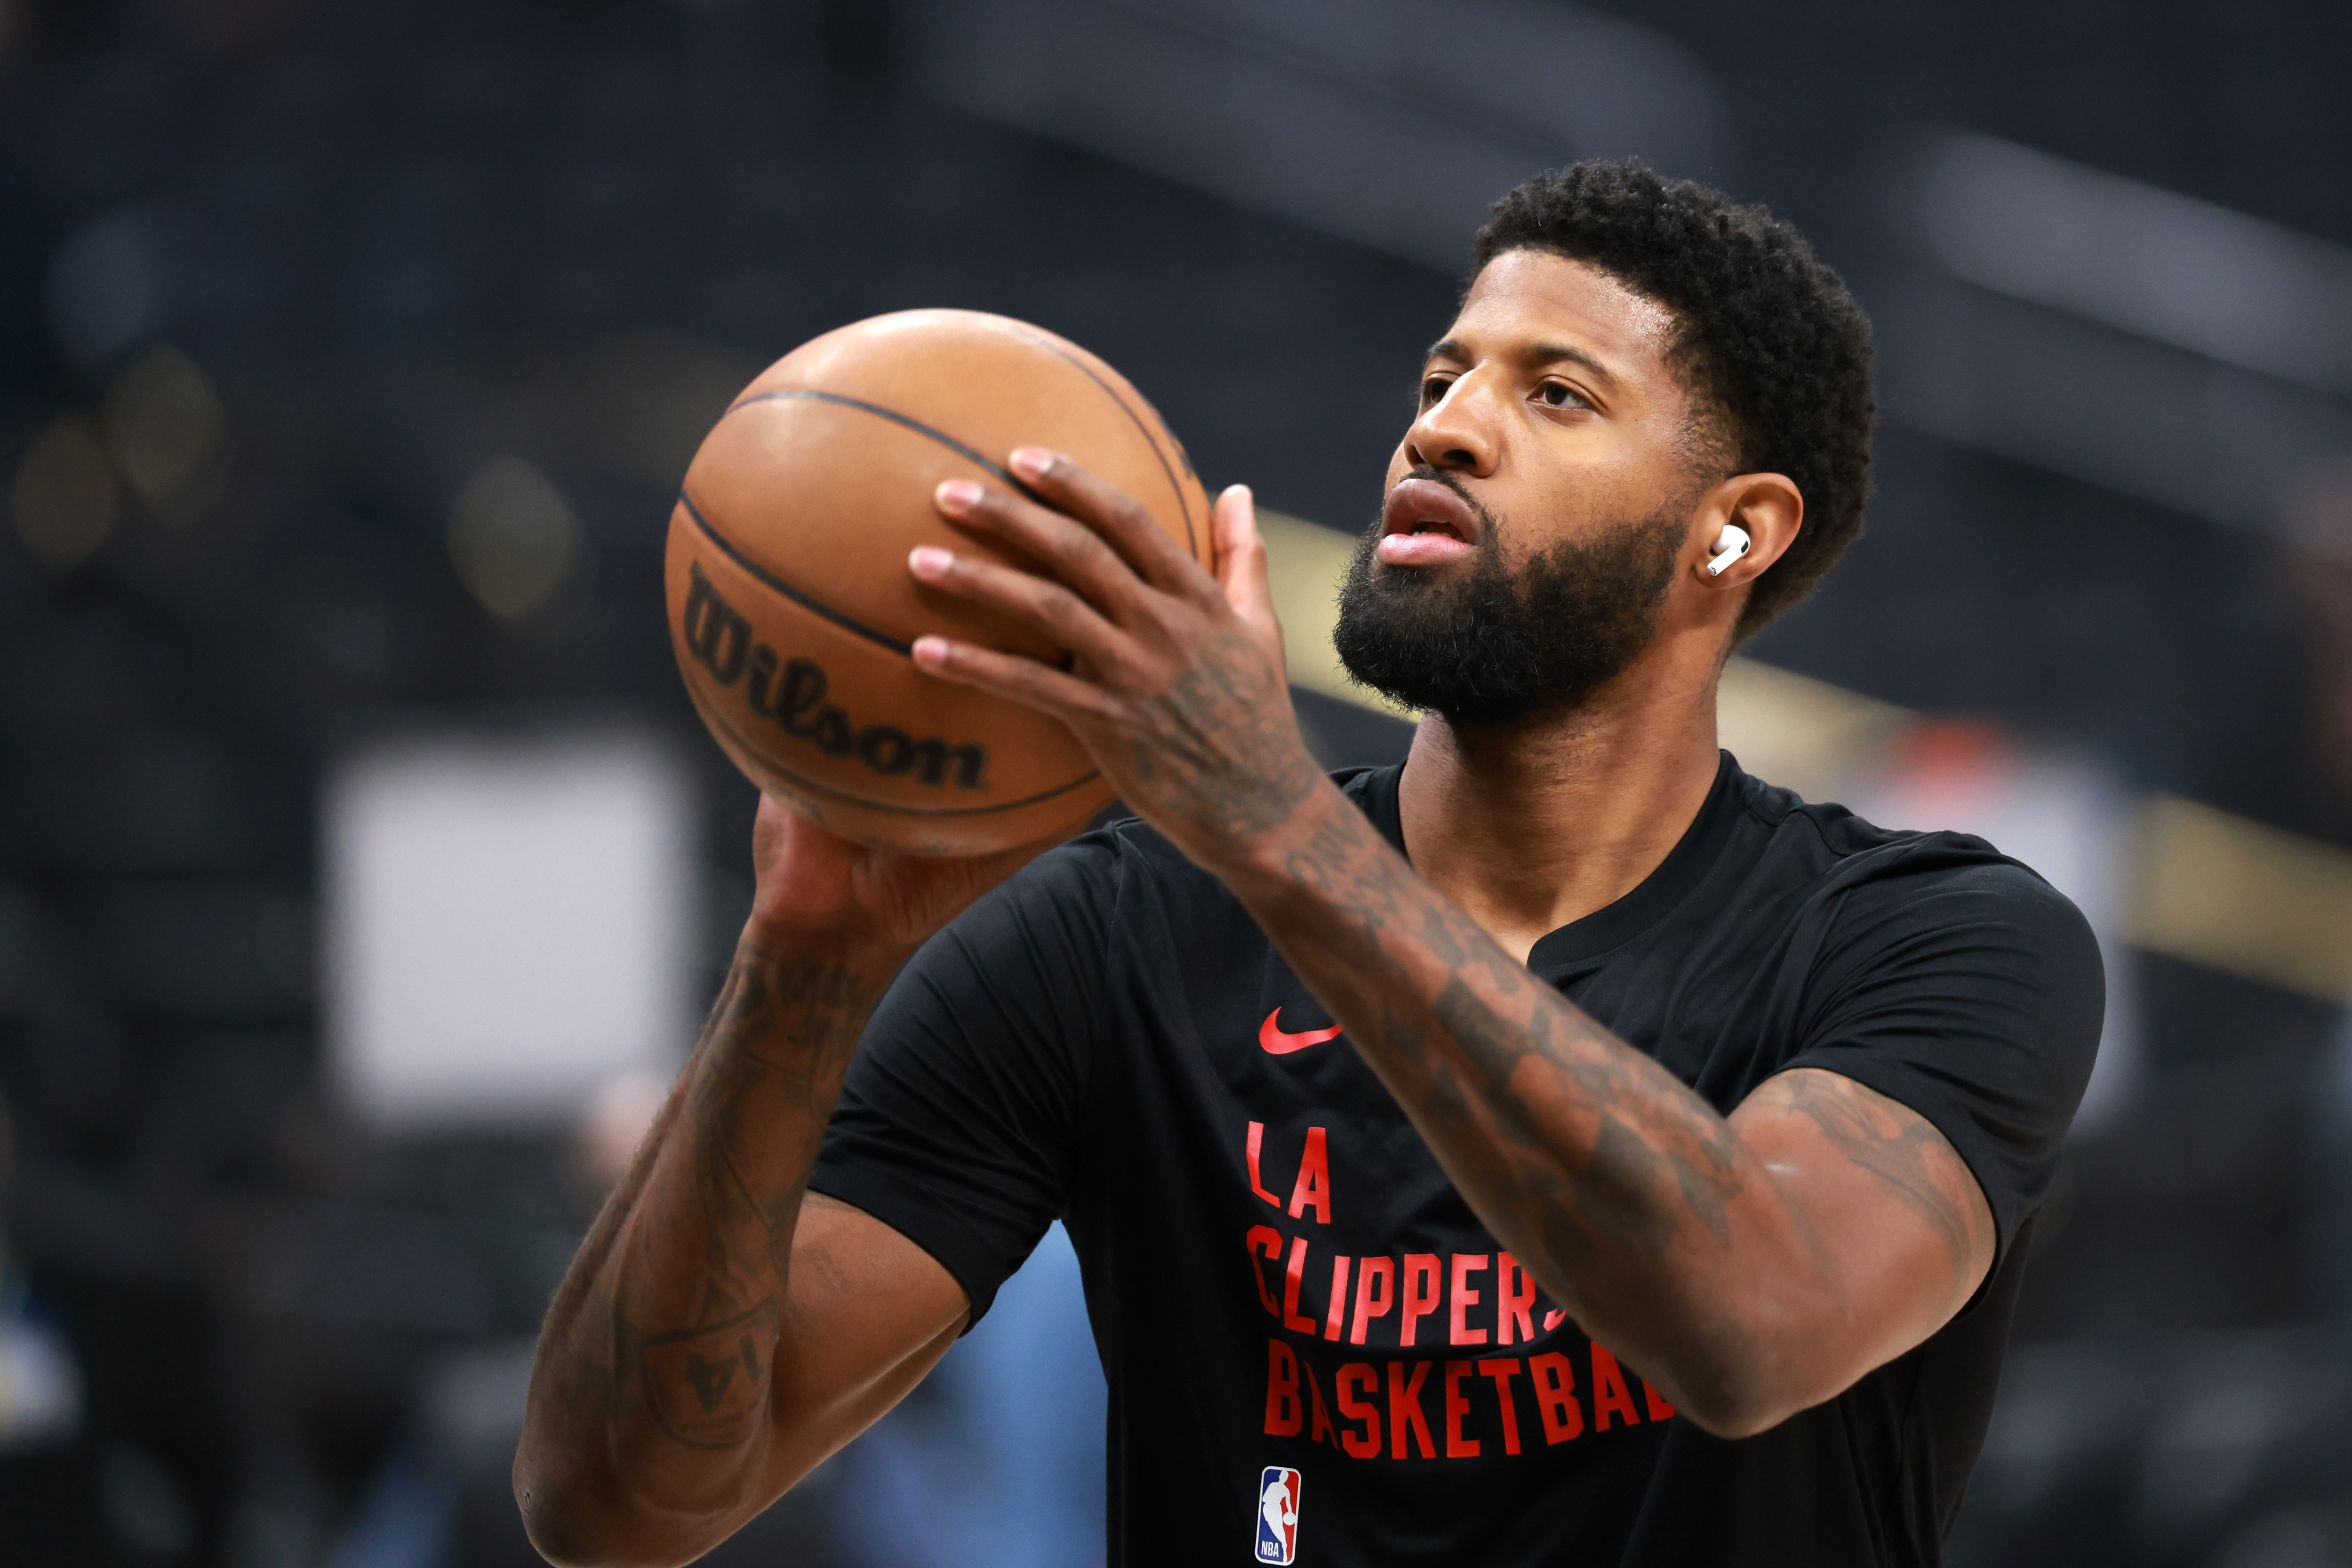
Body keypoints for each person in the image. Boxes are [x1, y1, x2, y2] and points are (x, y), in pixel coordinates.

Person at [514, 162, 2103, 1567]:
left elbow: (1756, 1316)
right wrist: (804, 956)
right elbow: (617, 1506)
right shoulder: (1118, 933)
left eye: (1555, 394)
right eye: (1443, 371)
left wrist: (1271, 828)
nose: (1446, 425)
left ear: (1735, 530)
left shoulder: (1937, 942)